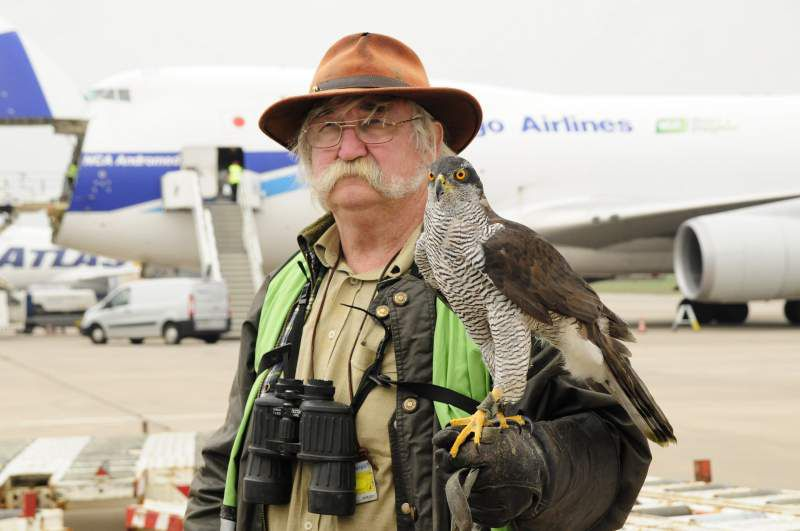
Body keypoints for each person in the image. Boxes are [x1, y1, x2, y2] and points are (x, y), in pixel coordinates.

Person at [185, 33, 651, 531]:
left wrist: (535, 468)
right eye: (325, 128)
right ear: (307, 154)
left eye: (377, 121)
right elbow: (226, 459)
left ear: (430, 144)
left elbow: (611, 450)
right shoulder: (285, 288)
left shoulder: (495, 268)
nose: (348, 146)